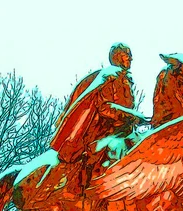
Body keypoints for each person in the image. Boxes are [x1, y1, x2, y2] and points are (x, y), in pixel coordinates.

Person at [46, 43, 137, 195]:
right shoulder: (110, 78)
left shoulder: (125, 80)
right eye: (127, 55)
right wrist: (129, 116)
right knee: (101, 154)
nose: (131, 58)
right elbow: (104, 108)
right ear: (117, 57)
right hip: (102, 130)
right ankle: (85, 191)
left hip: (122, 130)